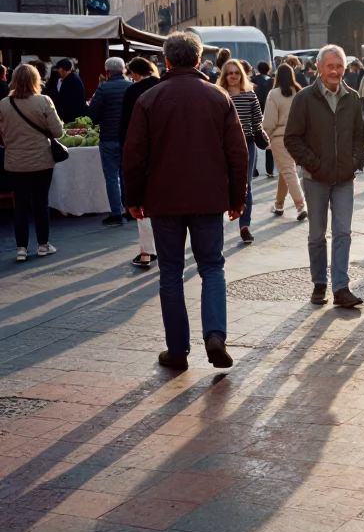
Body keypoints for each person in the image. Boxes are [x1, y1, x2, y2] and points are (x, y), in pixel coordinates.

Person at [123, 32, 248, 371]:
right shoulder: (218, 97)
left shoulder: (149, 99)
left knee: (171, 273)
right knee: (211, 267)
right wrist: (238, 198)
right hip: (208, 197)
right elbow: (238, 153)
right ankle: (215, 336)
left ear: (166, 60)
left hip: (164, 198)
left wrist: (132, 199)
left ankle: (177, 350)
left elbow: (133, 155)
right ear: (197, 60)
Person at [283, 45, 364, 308]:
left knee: (343, 232)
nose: (335, 71)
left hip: (344, 178)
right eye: (330, 66)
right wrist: (313, 164)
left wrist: (354, 162)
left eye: (339, 66)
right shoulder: (304, 98)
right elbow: (292, 139)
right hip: (315, 178)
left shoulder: (351, 97)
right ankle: (319, 282)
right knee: (317, 234)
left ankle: (341, 287)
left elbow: (358, 136)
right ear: (318, 67)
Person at [0, 63, 63, 261]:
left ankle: (21, 248)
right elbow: (57, 132)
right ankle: (43, 245)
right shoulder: (44, 101)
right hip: (42, 161)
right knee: (40, 203)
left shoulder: (3, 104)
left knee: (20, 205)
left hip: (15, 161)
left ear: (14, 80)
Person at [118, 58, 161, 268]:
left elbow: (126, 126)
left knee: (142, 201)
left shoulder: (133, 92)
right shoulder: (163, 86)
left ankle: (147, 251)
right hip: (166, 152)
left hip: (143, 153)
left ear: (134, 73)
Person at [218, 59, 263, 244]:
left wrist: (258, 134)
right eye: (230, 73)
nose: (233, 76)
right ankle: (217, 228)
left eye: (236, 73)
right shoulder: (220, 96)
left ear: (241, 75)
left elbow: (257, 120)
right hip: (224, 146)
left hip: (247, 144)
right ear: (225, 76)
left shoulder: (250, 95)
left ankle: (245, 226)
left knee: (247, 185)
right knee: (222, 184)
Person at [87, 57, 131, 226]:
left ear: (107, 72)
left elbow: (92, 114)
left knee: (112, 176)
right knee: (125, 174)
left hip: (108, 137)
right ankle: (129, 208)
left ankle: (116, 212)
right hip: (127, 137)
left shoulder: (103, 89)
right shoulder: (131, 86)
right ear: (123, 70)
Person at [263, 64, 307, 222]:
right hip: (298, 136)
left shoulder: (274, 94)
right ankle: (279, 204)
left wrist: (265, 136)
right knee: (285, 169)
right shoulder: (300, 92)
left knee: (288, 170)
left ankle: (300, 205)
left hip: (280, 136)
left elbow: (269, 120)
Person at [252, 61, 275, 179]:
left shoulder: (253, 80)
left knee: (253, 142)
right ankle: (270, 169)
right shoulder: (272, 81)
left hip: (255, 112)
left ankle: (254, 168)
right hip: (268, 112)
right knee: (268, 141)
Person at [53, 58, 87, 123]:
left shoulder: (70, 80)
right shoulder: (73, 78)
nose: (57, 71)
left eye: (58, 69)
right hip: (76, 116)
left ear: (62, 69)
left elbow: (64, 100)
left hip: (73, 118)